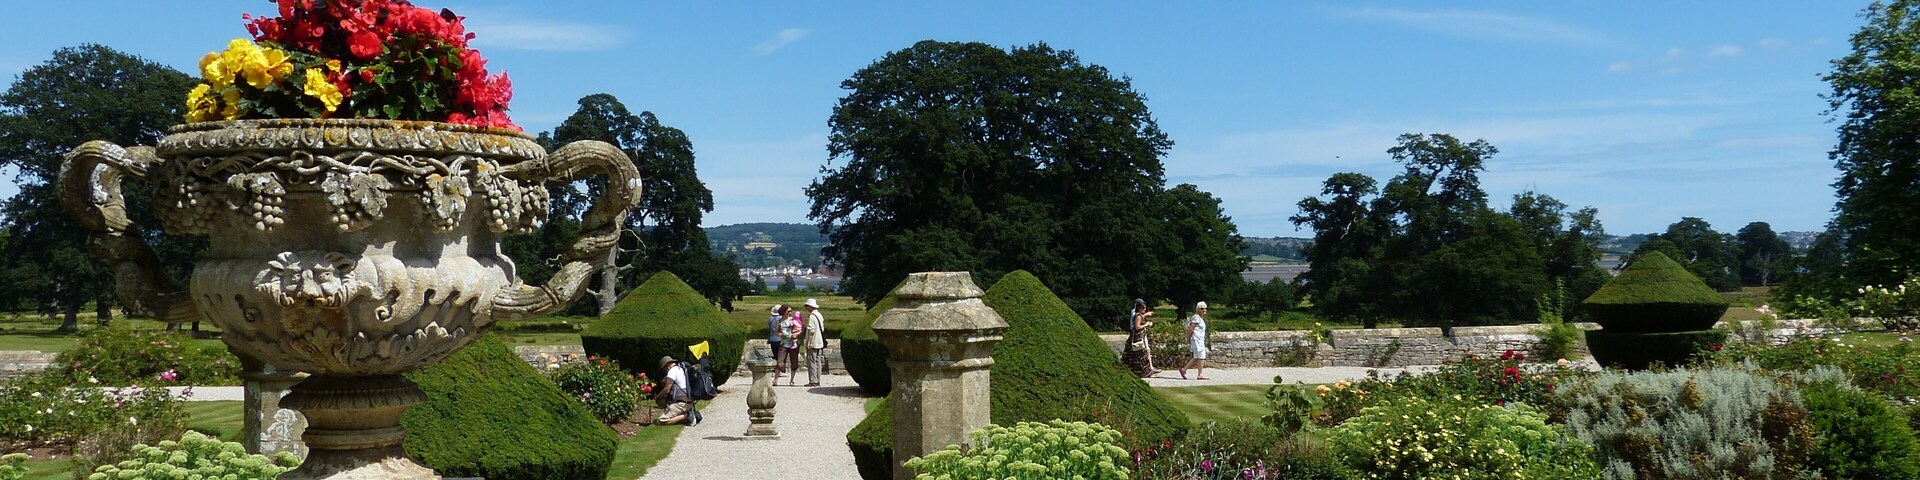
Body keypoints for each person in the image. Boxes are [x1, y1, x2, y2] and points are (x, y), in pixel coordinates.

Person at [653, 356, 698, 426]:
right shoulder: (681, 369)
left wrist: (657, 396)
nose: (665, 371)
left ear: (667, 366)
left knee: (661, 421)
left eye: (664, 369)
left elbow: (666, 389)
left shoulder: (672, 371)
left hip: (681, 404)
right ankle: (686, 412)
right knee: (662, 401)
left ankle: (688, 415)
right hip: (688, 402)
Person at [1122, 298, 1157, 377]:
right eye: (1143, 308)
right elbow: (1137, 327)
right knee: (1141, 354)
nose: (1145, 309)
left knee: (1139, 354)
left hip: (1139, 335)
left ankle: (1142, 370)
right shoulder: (1138, 315)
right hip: (1137, 337)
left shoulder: (1139, 315)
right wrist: (1146, 324)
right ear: (1139, 308)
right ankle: (1144, 371)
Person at [1181, 301, 1210, 380]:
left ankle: (1184, 370)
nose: (1204, 310)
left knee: (1197, 357)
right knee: (1201, 356)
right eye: (1202, 308)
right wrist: (1188, 339)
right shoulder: (1196, 317)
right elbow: (1191, 328)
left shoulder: (1200, 318)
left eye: (1205, 308)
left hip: (1199, 339)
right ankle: (1199, 374)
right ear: (1198, 309)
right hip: (1197, 340)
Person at [803, 298, 826, 387]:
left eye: (807, 306)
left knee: (812, 361)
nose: (807, 308)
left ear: (810, 306)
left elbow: (811, 330)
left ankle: (813, 380)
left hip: (814, 342)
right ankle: (818, 379)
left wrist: (808, 342)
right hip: (820, 342)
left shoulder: (812, 316)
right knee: (818, 361)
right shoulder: (819, 315)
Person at [782, 306, 805, 386]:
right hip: (797, 341)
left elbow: (789, 325)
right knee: (794, 361)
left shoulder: (794, 322)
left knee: (791, 359)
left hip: (791, 339)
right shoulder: (801, 323)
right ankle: (792, 379)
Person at [767, 305, 787, 382]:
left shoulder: (770, 319)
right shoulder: (780, 319)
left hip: (772, 339)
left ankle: (776, 370)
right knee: (781, 356)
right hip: (779, 339)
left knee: (775, 355)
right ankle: (780, 371)